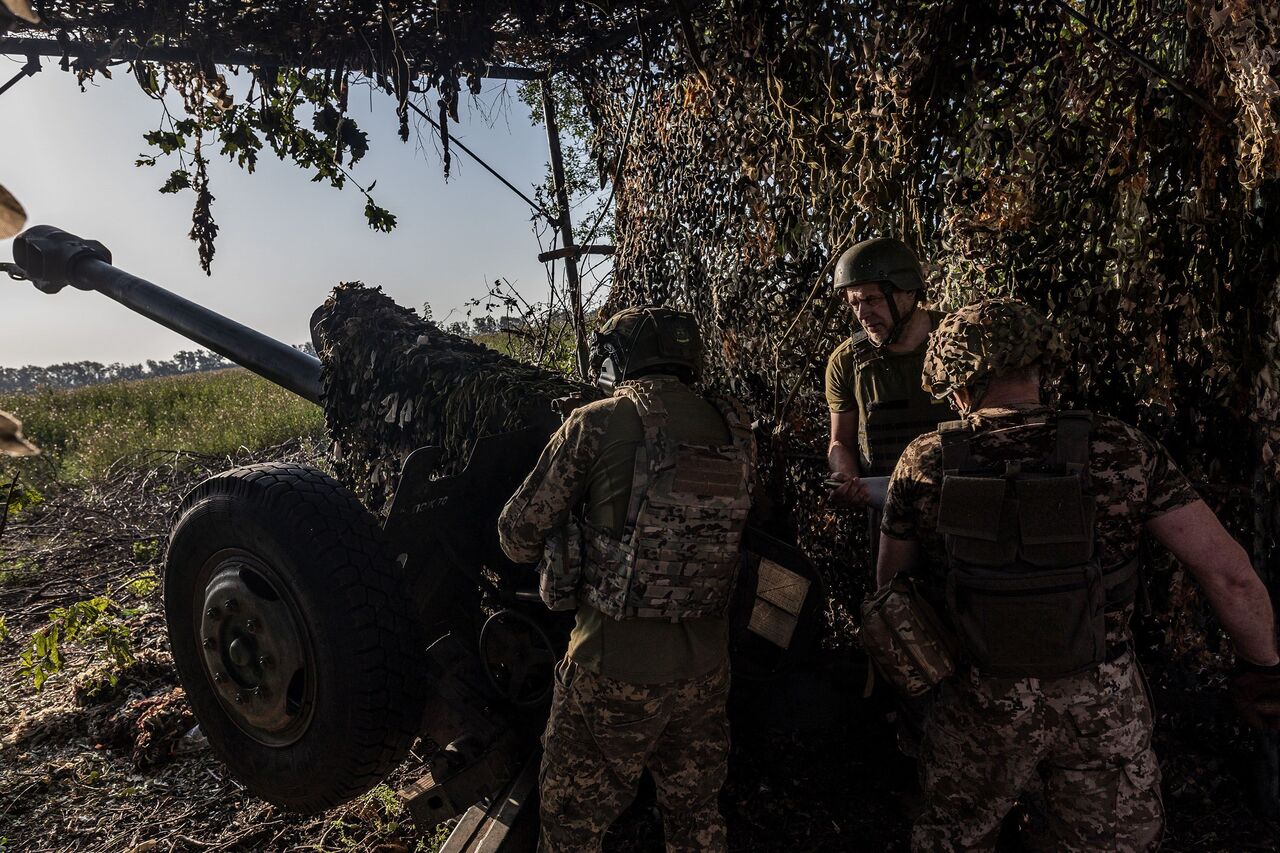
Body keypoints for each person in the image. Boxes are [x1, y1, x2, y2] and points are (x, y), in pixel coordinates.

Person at [876, 298, 1280, 852]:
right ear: (1040, 365)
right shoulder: (1120, 448)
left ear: (957, 382)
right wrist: (1264, 668)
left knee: (955, 838)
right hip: (1101, 703)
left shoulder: (923, 461)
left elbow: (891, 593)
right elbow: (1228, 575)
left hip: (978, 703)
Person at [498, 305, 754, 853]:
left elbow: (517, 534)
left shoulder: (598, 421)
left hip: (611, 667)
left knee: (571, 830)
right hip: (707, 669)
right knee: (695, 819)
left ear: (618, 359)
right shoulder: (736, 426)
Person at [824, 237, 948, 554]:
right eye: (854, 304)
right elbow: (841, 442)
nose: (863, 313)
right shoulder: (847, 361)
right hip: (888, 517)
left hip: (959, 508)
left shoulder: (956, 340)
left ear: (908, 292)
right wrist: (847, 480)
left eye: (872, 299)